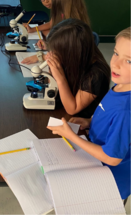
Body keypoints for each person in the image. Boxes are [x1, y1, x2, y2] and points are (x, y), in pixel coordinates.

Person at [48, 27, 130, 202]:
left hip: (110, 180)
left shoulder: (125, 110)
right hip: (95, 156)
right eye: (116, 53)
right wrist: (89, 122)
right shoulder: (121, 85)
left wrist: (71, 135)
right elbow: (108, 112)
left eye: (129, 61)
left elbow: (112, 158)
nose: (115, 64)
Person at [41, 19, 110, 118]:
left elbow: (72, 109)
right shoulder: (74, 61)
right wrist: (52, 70)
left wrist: (60, 78)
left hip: (83, 121)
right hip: (64, 108)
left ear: (72, 52)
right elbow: (53, 86)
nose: (54, 54)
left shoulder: (96, 74)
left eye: (57, 51)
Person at [22, 0, 93, 63]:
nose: (49, 1)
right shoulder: (69, 18)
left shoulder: (74, 27)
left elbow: (67, 56)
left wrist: (41, 57)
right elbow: (62, 47)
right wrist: (49, 46)